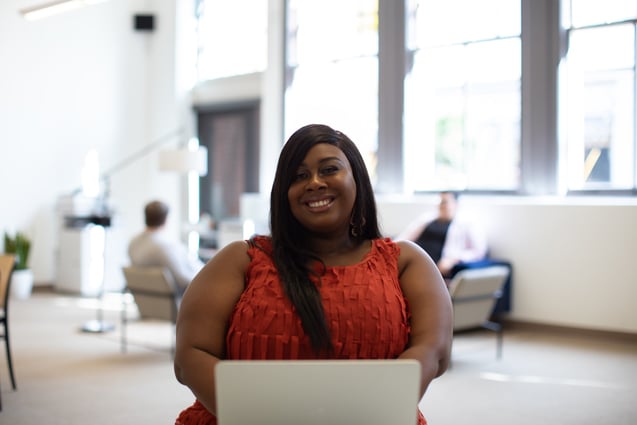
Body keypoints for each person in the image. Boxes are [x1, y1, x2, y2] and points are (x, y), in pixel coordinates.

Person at [173, 124, 453, 425]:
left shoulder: (405, 263)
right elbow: (191, 355)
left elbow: (433, 350)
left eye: (329, 169)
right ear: (284, 193)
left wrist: (375, 409)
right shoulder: (240, 260)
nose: (315, 183)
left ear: (357, 177)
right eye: (299, 176)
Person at [397, 191, 488, 278]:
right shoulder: (427, 219)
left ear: (455, 204)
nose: (441, 205)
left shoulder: (467, 224)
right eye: (440, 202)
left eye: (445, 202)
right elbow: (404, 238)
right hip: (412, 259)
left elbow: (478, 252)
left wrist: (452, 260)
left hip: (434, 266)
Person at [128, 200, 205, 294]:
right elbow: (183, 280)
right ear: (166, 220)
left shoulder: (133, 243)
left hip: (148, 299)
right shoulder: (165, 247)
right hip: (179, 300)